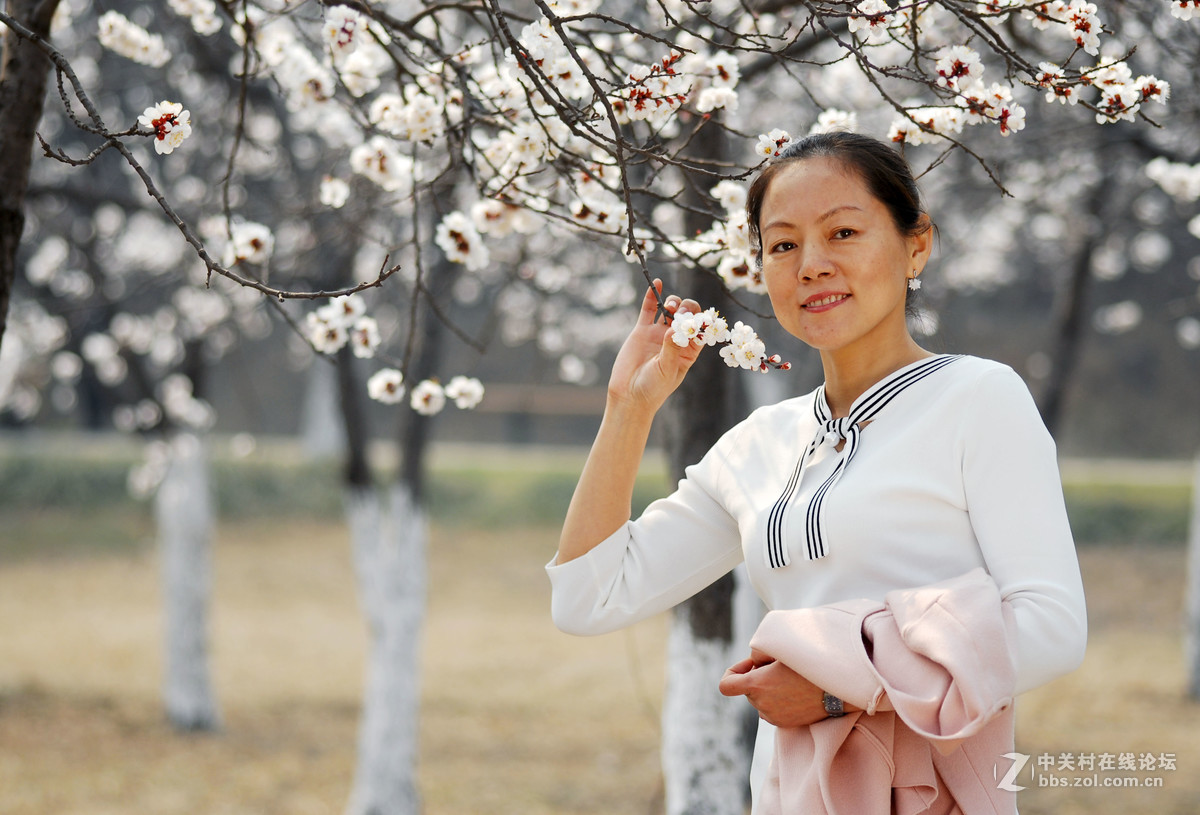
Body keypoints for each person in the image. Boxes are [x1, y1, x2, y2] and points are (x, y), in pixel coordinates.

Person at [546, 131, 1087, 814]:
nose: (811, 265)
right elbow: (588, 599)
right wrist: (629, 408)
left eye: (843, 232)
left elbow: (1051, 626)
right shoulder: (759, 446)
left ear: (916, 244)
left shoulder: (978, 399)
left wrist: (843, 684)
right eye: (782, 244)